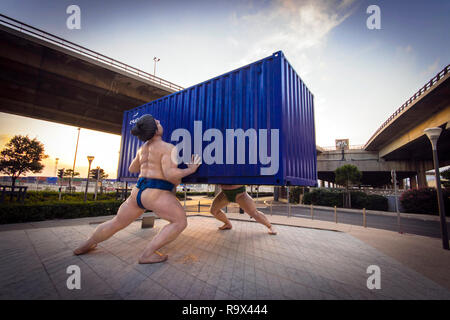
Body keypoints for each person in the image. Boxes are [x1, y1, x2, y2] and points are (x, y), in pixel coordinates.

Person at [74, 114, 201, 264]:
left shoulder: (142, 149)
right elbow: (171, 175)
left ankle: (85, 245)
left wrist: (148, 163)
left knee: (116, 222)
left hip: (138, 192)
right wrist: (190, 170)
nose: (159, 122)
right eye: (156, 123)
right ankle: (147, 254)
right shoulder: (168, 148)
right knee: (179, 222)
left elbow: (132, 168)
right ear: (154, 131)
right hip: (157, 192)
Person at [209, 184, 277, 235]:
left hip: (240, 194)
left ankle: (270, 226)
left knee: (254, 213)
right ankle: (227, 224)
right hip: (225, 194)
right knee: (213, 210)